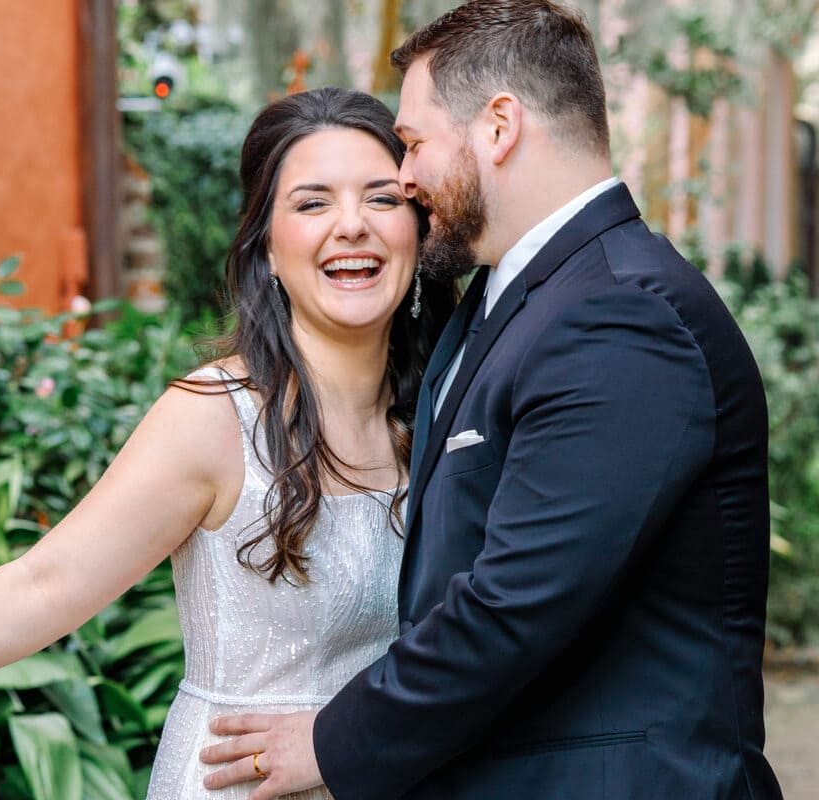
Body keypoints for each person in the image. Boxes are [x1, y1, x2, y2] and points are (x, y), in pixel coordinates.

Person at [0, 87, 456, 799]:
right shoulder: (215, 421)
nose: (352, 224)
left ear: (418, 230)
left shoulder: (441, 412)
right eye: (313, 202)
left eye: (383, 198)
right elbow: (47, 586)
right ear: (266, 245)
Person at [199, 2, 784, 798]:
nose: (404, 180)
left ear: (499, 126)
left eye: (412, 144)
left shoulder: (620, 313)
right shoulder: (515, 299)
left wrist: (334, 743)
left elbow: (518, 601)